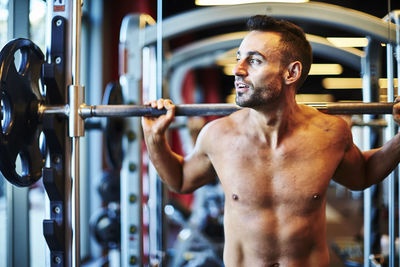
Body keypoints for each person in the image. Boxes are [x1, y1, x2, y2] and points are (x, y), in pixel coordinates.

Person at [142, 15, 400, 267]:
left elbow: (362, 175)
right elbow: (180, 180)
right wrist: (154, 139)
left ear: (291, 73)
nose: (237, 70)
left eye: (254, 60)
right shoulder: (219, 135)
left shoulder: (329, 132)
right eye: (239, 58)